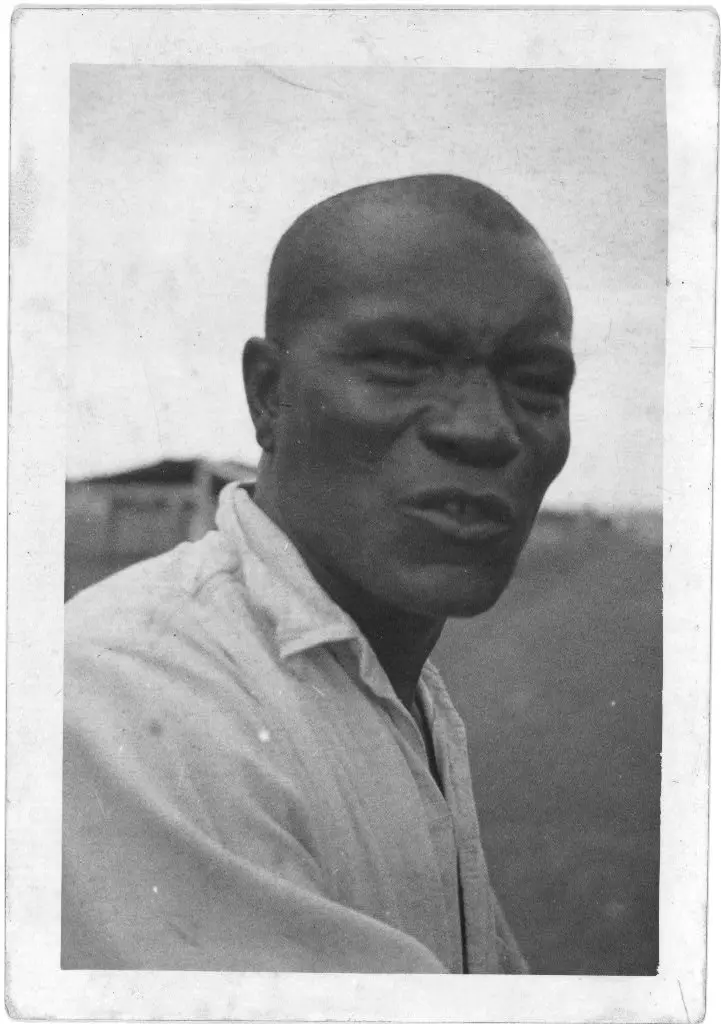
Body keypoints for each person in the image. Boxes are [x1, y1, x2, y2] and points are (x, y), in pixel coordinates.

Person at [62, 174, 575, 973]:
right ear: (269, 396)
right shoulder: (130, 695)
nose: (483, 429)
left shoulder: (390, 676)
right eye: (400, 365)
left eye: (537, 384)